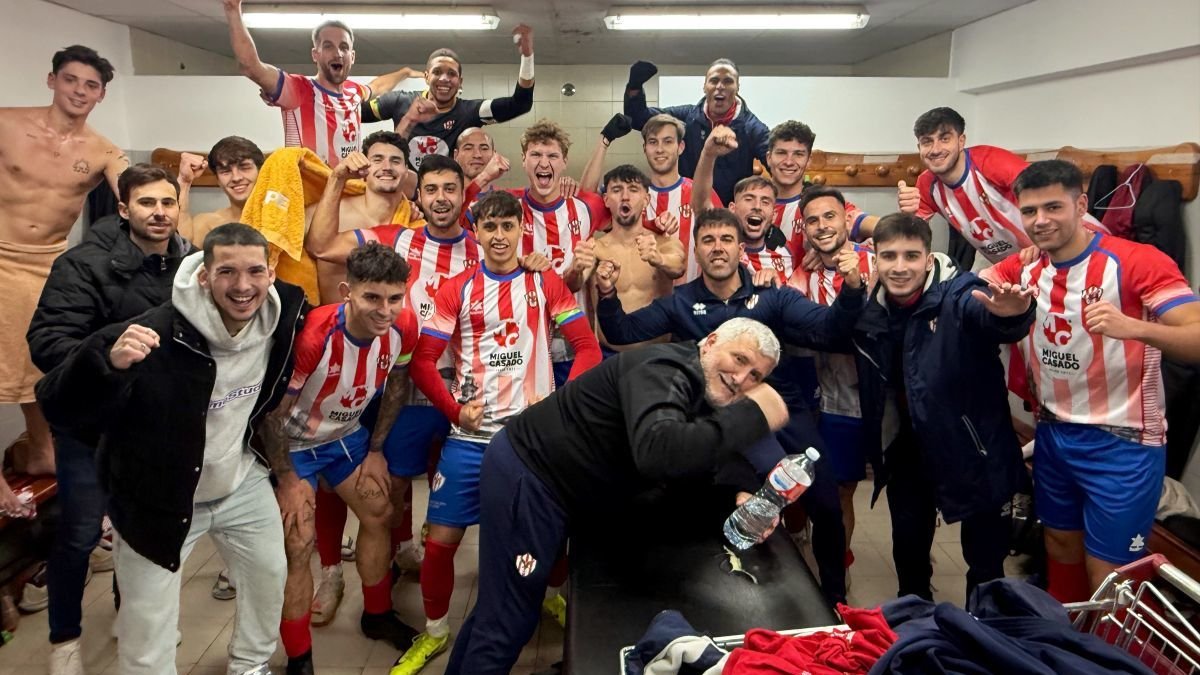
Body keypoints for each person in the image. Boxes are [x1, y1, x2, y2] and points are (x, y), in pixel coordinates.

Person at [444, 317, 789, 674]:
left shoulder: (705, 386)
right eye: (739, 359)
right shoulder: (664, 369)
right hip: (531, 473)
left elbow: (709, 450)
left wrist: (740, 489)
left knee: (499, 609)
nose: (741, 378)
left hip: (565, 484)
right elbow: (660, 451)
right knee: (508, 621)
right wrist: (754, 413)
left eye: (755, 377)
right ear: (711, 341)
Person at [35, 223, 308, 674]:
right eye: (226, 272)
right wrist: (107, 364)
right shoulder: (150, 333)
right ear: (203, 274)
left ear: (270, 271)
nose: (243, 286)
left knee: (268, 576)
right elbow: (58, 404)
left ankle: (251, 666)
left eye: (254, 271)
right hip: (156, 497)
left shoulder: (287, 314)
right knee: (148, 627)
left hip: (238, 480)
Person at [596, 208, 864, 606]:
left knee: (824, 498)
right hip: (718, 418)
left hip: (778, 409)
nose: (717, 248)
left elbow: (830, 328)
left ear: (741, 249)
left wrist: (854, 287)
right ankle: (720, 595)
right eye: (707, 241)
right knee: (722, 503)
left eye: (725, 240)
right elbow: (622, 331)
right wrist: (607, 294)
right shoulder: (681, 302)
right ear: (696, 252)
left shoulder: (772, 296)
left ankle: (835, 598)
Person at [393, 190, 602, 674]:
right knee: (441, 539)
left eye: (509, 226)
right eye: (490, 227)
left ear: (521, 230)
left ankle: (549, 597)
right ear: (478, 233)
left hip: (531, 443)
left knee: (549, 534)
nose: (500, 236)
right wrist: (451, 410)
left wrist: (559, 406)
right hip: (470, 439)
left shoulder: (544, 282)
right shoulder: (457, 288)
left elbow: (586, 347)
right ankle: (436, 632)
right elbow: (423, 361)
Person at [981, 160, 1200, 599]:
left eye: (1053, 207)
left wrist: (1136, 328)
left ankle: (1110, 659)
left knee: (1110, 575)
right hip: (1054, 435)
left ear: (1081, 205)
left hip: (1123, 444)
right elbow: (966, 295)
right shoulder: (1024, 268)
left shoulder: (1136, 261)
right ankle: (1066, 646)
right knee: (1058, 545)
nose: (1040, 221)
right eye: (1029, 212)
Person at [27, 164, 194, 675]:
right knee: (79, 533)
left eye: (168, 202)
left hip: (148, 425)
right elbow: (48, 343)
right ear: (124, 208)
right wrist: (110, 352)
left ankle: (132, 616)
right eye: (147, 203)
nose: (160, 212)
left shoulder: (187, 263)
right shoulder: (81, 265)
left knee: (137, 528)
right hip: (88, 424)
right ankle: (65, 640)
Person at [851, 212, 1035, 601]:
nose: (899, 268)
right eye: (889, 256)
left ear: (929, 258)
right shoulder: (872, 306)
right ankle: (917, 628)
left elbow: (986, 314)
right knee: (909, 546)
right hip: (908, 446)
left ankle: (980, 633)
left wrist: (1012, 315)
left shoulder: (958, 293)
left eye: (911, 256)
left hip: (974, 445)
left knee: (985, 562)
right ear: (876, 258)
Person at [267, 243, 421, 674]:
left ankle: (376, 616)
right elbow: (272, 416)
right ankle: (299, 658)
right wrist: (286, 479)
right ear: (346, 292)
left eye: (394, 298)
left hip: (345, 438)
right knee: (298, 543)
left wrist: (375, 450)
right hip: (294, 445)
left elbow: (396, 384)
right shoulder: (316, 336)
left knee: (380, 512)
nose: (385, 310)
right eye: (372, 297)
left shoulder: (404, 325)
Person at [0, 45, 128, 513]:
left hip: (49, 264)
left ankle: (39, 449)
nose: (79, 90)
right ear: (51, 79)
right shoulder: (6, 123)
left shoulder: (101, 150)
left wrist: (183, 186)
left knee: (39, 363)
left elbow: (138, 195)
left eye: (90, 85)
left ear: (101, 95)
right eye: (71, 80)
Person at [467, 120, 609, 385]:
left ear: (564, 162)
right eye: (536, 155)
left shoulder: (586, 207)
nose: (544, 163)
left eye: (553, 155)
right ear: (523, 160)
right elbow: (455, 216)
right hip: (520, 344)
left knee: (570, 419)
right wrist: (484, 177)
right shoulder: (508, 208)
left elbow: (632, 217)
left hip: (571, 346)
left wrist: (658, 225)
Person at [786, 186, 875, 576]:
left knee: (841, 488)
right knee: (800, 484)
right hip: (807, 392)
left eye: (830, 217)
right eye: (813, 220)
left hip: (852, 395)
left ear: (846, 220)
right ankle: (802, 559)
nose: (822, 226)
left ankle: (837, 567)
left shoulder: (874, 263)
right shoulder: (801, 273)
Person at [895, 107, 1104, 268]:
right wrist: (909, 215)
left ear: (961, 141)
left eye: (944, 139)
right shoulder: (926, 184)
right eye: (927, 142)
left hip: (1079, 243)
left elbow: (1049, 197)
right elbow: (912, 237)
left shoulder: (991, 162)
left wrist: (1043, 242)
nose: (935, 149)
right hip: (1016, 265)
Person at [223, 0, 417, 168]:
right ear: (315, 54)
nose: (338, 53)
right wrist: (233, 10)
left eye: (343, 47)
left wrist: (404, 72)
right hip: (310, 198)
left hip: (350, 195)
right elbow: (251, 67)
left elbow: (378, 86)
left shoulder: (353, 91)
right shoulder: (299, 89)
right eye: (328, 46)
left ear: (353, 56)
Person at [362, 29, 536, 171]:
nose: (444, 78)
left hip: (446, 200)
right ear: (426, 76)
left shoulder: (470, 111)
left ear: (460, 82)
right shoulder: (399, 102)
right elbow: (353, 113)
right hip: (403, 199)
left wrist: (527, 57)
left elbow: (520, 104)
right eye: (437, 72)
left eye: (451, 74)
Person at [580, 113, 719, 283]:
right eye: (653, 142)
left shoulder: (699, 192)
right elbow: (586, 201)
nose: (660, 149)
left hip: (692, 303)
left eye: (667, 141)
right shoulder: (631, 196)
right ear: (644, 147)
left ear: (680, 147)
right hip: (646, 305)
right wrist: (605, 140)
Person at [623, 58, 769, 205]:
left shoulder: (753, 129)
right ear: (705, 86)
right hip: (687, 209)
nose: (720, 86)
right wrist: (634, 88)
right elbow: (639, 119)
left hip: (731, 217)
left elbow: (777, 165)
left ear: (737, 87)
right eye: (714, 80)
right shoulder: (686, 118)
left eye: (728, 81)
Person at [306, 131, 426, 303]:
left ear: (406, 172)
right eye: (377, 160)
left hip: (392, 325)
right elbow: (312, 247)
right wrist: (337, 178)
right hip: (331, 324)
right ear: (364, 169)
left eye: (395, 161)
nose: (387, 166)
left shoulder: (414, 227)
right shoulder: (326, 212)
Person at [589, 165, 685, 354]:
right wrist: (576, 268)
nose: (625, 197)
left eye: (633, 190)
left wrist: (658, 259)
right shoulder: (595, 248)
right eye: (617, 190)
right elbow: (574, 283)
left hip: (658, 353)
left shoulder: (663, 243)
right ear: (606, 200)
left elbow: (678, 266)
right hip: (610, 356)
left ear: (646, 199)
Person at [762, 121, 877, 261]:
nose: (789, 162)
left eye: (798, 154)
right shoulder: (752, 202)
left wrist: (829, 251)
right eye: (781, 153)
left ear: (809, 160)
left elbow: (881, 227)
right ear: (769, 158)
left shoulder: (823, 203)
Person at [692, 128, 791, 286]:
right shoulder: (718, 249)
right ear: (732, 208)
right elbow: (701, 203)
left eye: (765, 201)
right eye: (749, 199)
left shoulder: (785, 254)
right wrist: (708, 154)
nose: (757, 206)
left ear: (773, 215)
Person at [176, 136, 266, 246]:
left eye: (244, 167)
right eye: (225, 171)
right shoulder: (207, 223)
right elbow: (181, 252)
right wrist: (184, 182)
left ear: (261, 172)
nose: (236, 178)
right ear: (218, 180)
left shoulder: (278, 221)